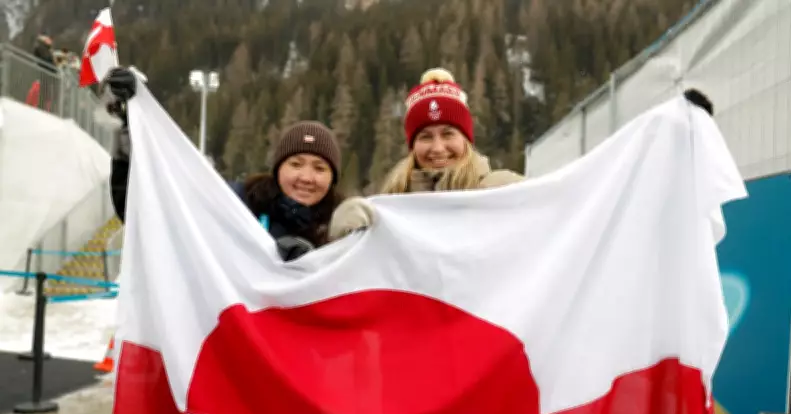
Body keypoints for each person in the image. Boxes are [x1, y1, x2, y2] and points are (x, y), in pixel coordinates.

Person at [103, 67, 343, 261]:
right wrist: (132, 130)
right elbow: (154, 215)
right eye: (296, 164)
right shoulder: (238, 204)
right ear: (278, 169)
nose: (306, 177)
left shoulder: (345, 227)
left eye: (320, 168)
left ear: (333, 178)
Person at [328, 67, 524, 240]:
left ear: (466, 140)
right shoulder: (392, 203)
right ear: (412, 146)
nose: (438, 148)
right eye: (426, 137)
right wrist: (344, 232)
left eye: (448, 134)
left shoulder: (499, 190)